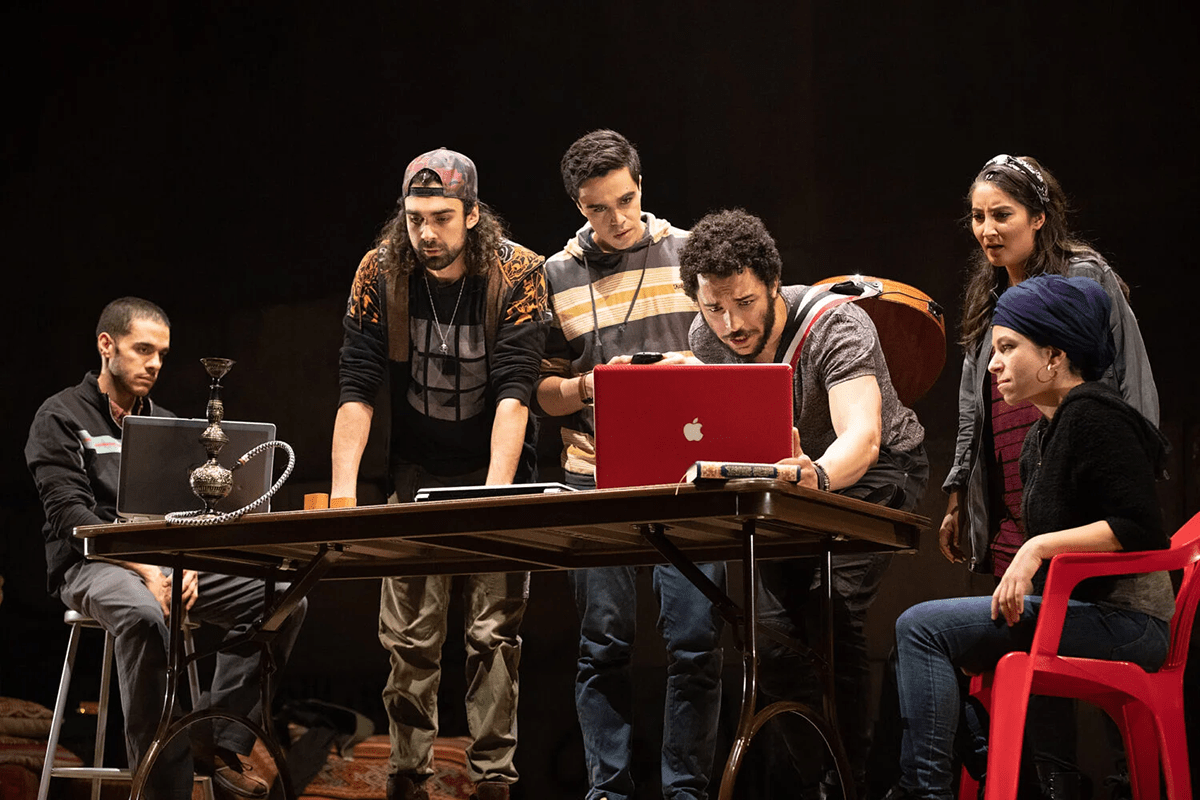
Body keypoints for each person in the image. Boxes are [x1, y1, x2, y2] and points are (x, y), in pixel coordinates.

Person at [884, 274, 1174, 800]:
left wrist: (1036, 548)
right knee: (918, 644)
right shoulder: (1045, 432)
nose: (993, 364)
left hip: (1131, 623)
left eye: (1007, 347)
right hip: (1079, 611)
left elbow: (1140, 530)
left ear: (1054, 357)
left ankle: (927, 791)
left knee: (920, 629)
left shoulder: (1095, 416)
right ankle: (987, 766)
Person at [679, 208, 929, 796]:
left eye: (742, 302)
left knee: (829, 608)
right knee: (771, 640)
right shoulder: (705, 338)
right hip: (782, 488)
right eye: (713, 308)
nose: (729, 323)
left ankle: (854, 782)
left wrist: (812, 475)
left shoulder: (834, 324)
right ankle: (824, 778)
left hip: (869, 472)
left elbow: (862, 438)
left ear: (771, 283)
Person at [936, 154, 1158, 796]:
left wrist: (1123, 446)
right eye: (977, 217)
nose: (987, 229)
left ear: (1039, 216)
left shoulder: (1084, 275)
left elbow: (1125, 373)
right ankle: (1050, 777)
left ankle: (1127, 775)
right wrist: (958, 486)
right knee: (1026, 630)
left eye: (1001, 214)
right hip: (1012, 472)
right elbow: (972, 399)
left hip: (1080, 463)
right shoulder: (989, 293)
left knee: (1096, 610)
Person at [25, 297, 308, 800]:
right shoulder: (62, 416)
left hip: (162, 562)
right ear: (106, 346)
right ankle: (165, 787)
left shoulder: (166, 423)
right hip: (93, 565)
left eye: (162, 354)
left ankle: (217, 743)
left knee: (283, 596)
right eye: (142, 350)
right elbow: (71, 517)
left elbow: (187, 513)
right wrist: (149, 568)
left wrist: (188, 561)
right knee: (142, 615)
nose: (154, 364)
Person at [331, 148, 547, 800]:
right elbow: (356, 387)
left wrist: (496, 495)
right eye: (415, 216)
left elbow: (517, 391)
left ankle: (492, 783)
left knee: (492, 636)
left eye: (442, 218)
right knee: (409, 638)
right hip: (415, 470)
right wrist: (343, 495)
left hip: (496, 465)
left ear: (473, 214)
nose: (427, 232)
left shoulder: (520, 271)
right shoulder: (380, 270)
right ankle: (407, 775)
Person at [534, 129, 725, 800]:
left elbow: (734, 353)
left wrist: (684, 369)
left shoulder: (692, 252)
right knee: (602, 645)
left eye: (625, 200)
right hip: (595, 471)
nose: (614, 220)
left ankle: (685, 791)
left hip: (688, 474)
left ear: (642, 186)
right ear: (578, 205)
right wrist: (593, 384)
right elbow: (544, 391)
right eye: (596, 208)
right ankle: (608, 792)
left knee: (696, 643)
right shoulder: (556, 273)